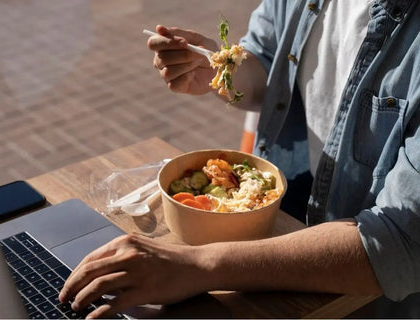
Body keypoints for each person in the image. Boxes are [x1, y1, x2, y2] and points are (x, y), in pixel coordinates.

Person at [59, 0, 420, 318]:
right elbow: (265, 63)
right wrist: (217, 70)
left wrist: (197, 266)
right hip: (281, 222)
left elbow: (401, 244)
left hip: (368, 297)